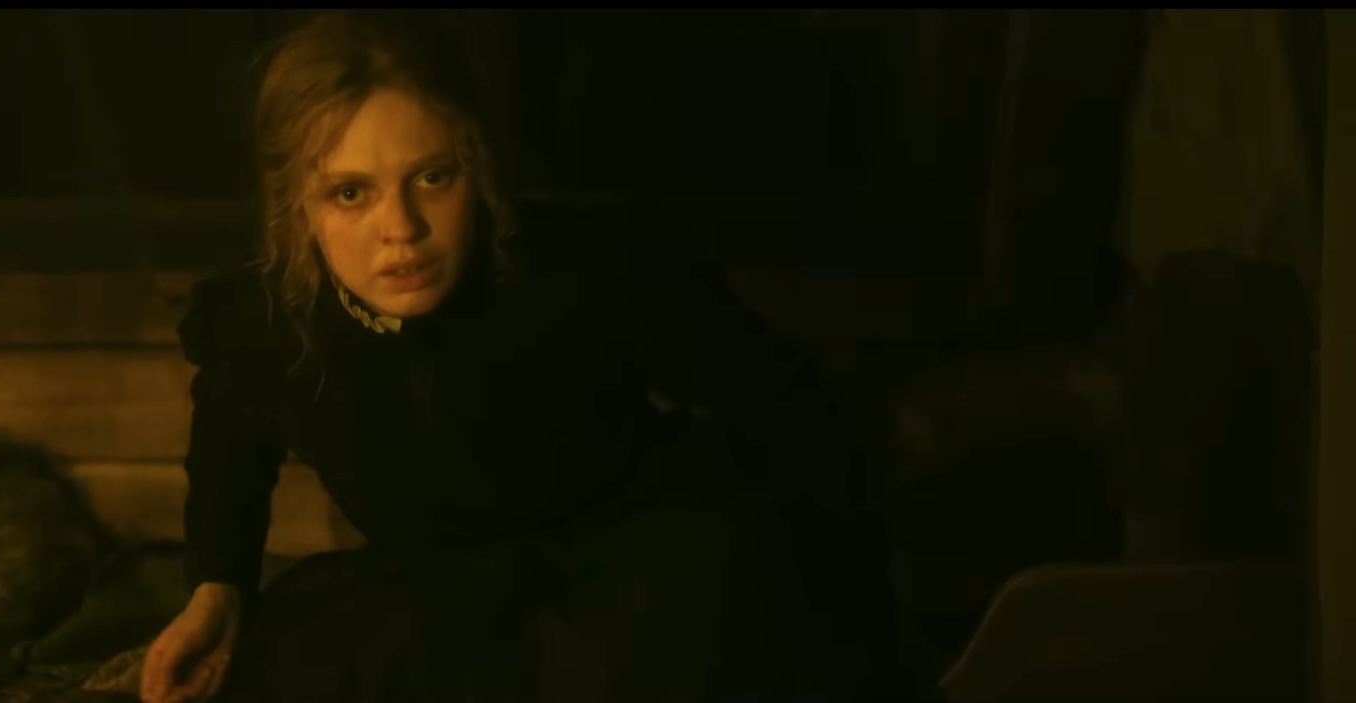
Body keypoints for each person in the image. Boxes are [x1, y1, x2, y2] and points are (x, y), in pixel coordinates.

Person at [140, 11, 920, 703]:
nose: (401, 229)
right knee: (304, 663)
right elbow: (231, 449)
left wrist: (841, 572)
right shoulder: (268, 327)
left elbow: (784, 405)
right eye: (351, 193)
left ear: (476, 167)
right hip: (444, 590)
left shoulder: (586, 268)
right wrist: (217, 585)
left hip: (633, 561)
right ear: (297, 207)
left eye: (432, 178)